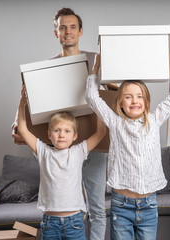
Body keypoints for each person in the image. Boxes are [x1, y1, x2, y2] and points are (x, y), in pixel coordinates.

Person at [11, 8, 110, 240]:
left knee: (96, 207)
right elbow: (32, 101)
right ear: (56, 33)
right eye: (62, 27)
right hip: (60, 148)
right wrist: (16, 124)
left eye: (72, 27)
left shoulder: (96, 60)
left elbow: (112, 95)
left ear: (80, 31)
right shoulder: (48, 67)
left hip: (92, 146)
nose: (68, 32)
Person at [85, 53, 170, 240]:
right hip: (121, 206)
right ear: (120, 102)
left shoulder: (154, 120)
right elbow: (92, 97)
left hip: (149, 206)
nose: (135, 101)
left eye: (139, 96)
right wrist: (96, 68)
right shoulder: (115, 123)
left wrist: (169, 62)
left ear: (146, 101)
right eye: (128, 97)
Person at [17, 86, 106, 240]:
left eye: (67, 131)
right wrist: (22, 104)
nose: (61, 135)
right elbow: (23, 131)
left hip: (75, 222)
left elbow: (100, 133)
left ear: (75, 136)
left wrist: (96, 102)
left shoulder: (78, 152)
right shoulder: (44, 152)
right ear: (49, 134)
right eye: (57, 130)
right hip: (50, 223)